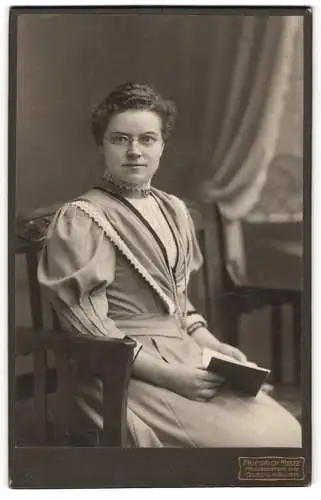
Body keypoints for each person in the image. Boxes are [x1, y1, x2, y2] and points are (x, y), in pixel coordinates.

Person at [38, 82, 301, 447]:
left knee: (287, 433)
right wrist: (170, 376)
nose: (134, 151)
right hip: (120, 369)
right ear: (101, 144)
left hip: (182, 353)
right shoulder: (82, 217)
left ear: (163, 145)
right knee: (253, 444)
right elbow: (90, 330)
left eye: (147, 139)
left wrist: (212, 343)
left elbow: (175, 301)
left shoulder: (174, 209)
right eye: (119, 139)